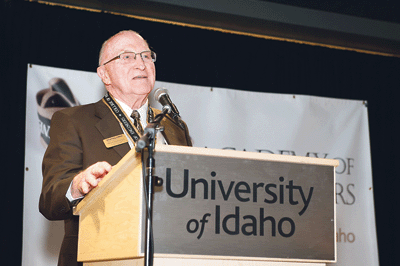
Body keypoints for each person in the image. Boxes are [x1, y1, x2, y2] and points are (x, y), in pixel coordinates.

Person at [39, 30, 192, 266]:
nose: (141, 63)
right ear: (104, 74)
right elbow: (50, 198)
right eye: (127, 57)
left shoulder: (175, 126)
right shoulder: (73, 121)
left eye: (146, 55)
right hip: (98, 257)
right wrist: (78, 185)